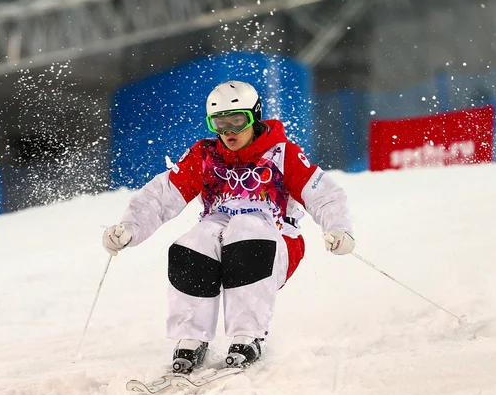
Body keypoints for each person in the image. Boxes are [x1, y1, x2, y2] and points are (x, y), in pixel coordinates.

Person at [103, 80, 355, 373]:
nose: (229, 133)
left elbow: (324, 194)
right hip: (222, 240)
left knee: (246, 227)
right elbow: (161, 195)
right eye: (219, 124)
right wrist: (129, 227)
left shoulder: (282, 154)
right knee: (195, 239)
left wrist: (339, 228)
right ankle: (191, 338)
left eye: (238, 122)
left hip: (274, 241)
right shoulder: (206, 156)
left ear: (255, 116)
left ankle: (248, 335)